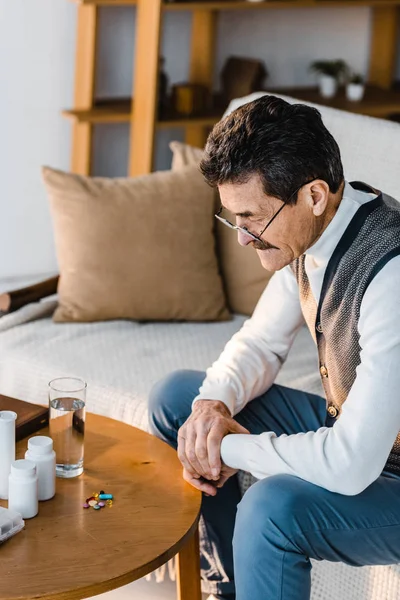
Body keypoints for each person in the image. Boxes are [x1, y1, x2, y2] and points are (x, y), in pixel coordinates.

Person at [148, 95, 400, 600]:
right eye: (233, 219)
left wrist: (228, 446)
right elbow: (261, 342)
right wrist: (212, 410)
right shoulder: (311, 232)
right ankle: (233, 587)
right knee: (181, 400)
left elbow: (351, 463)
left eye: (251, 219)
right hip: (366, 439)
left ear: (313, 194)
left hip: (384, 468)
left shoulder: (391, 276)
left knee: (271, 505)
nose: (242, 238)